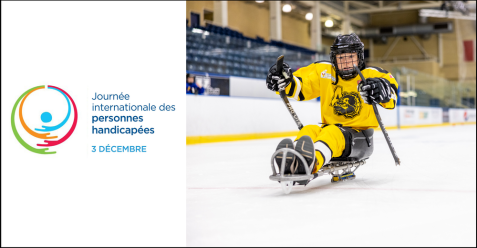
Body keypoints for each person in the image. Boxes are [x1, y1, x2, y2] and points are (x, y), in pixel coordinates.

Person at [266, 33, 399, 175]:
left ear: (359, 57)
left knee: (332, 133)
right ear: (334, 58)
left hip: (361, 139)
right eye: (341, 58)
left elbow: (391, 96)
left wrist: (381, 91)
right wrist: (284, 80)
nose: (346, 62)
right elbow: (300, 85)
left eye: (351, 56)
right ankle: (292, 161)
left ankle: (310, 164)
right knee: (309, 130)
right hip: (329, 130)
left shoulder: (372, 74)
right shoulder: (324, 71)